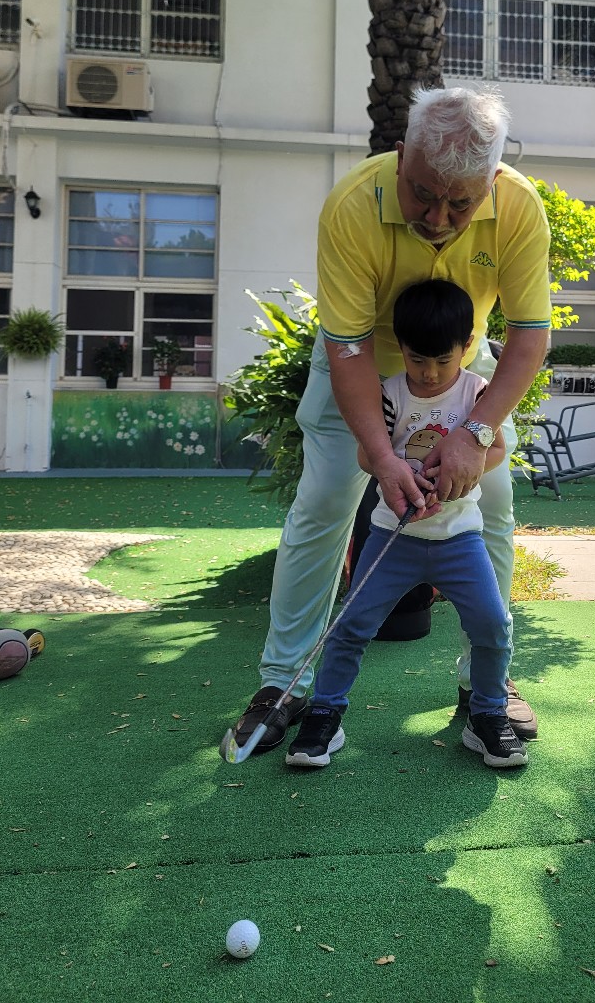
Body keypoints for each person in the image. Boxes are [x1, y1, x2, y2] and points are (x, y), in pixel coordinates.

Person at [227, 85, 551, 757]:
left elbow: (528, 335)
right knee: (325, 501)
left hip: (462, 367)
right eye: (423, 194)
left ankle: (485, 685)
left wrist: (474, 434)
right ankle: (283, 682)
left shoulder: (519, 206)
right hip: (359, 361)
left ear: (492, 182)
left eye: (460, 204)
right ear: (401, 157)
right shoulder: (352, 205)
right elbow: (346, 350)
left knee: (492, 504)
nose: (438, 218)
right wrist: (380, 456)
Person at [286, 278, 526, 770]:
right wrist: (396, 470)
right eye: (418, 360)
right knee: (352, 626)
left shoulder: (477, 392)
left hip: (460, 538)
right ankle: (324, 715)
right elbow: (366, 454)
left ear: (467, 345)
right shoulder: (389, 393)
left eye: (443, 359)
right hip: (392, 538)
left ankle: (487, 715)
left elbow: (497, 449)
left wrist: (464, 467)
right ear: (400, 347)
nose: (430, 372)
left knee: (492, 624)